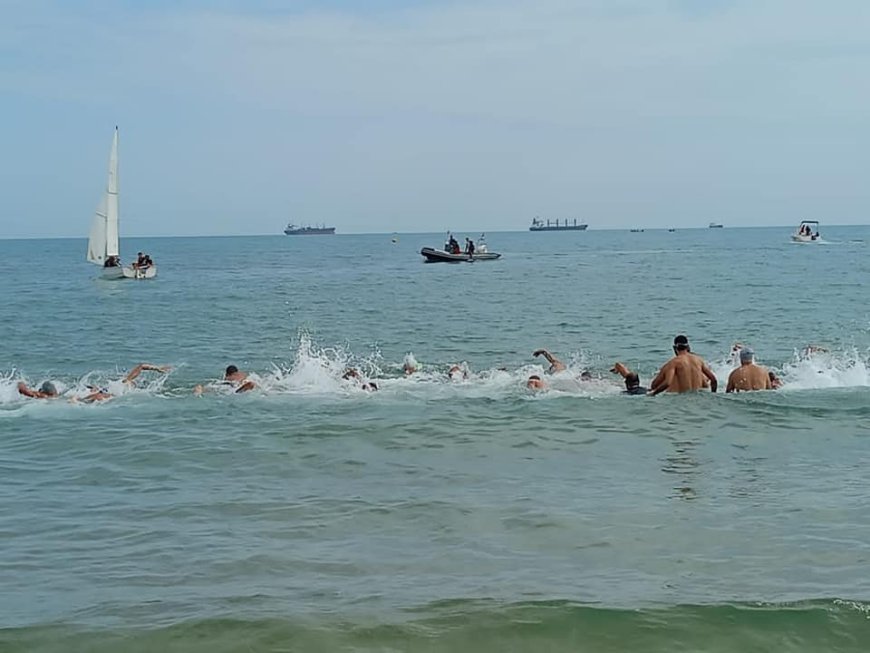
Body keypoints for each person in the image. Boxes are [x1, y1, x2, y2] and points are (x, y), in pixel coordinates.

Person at [648, 335, 718, 395]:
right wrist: (713, 394)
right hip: (698, 397)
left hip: (681, 400)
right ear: (688, 347)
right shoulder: (699, 360)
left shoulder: (673, 363)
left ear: (674, 348)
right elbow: (714, 379)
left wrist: (653, 393)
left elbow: (666, 383)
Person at [76, 363, 171, 402]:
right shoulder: (126, 382)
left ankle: (78, 400)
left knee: (97, 395)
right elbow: (141, 366)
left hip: (107, 393)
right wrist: (157, 368)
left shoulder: (126, 382)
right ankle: (79, 400)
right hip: (107, 392)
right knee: (97, 394)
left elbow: (141, 366)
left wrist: (157, 368)